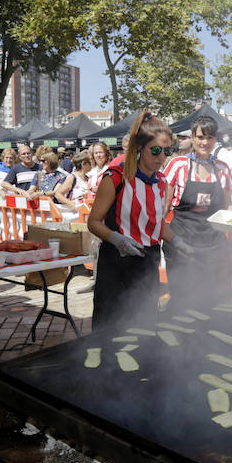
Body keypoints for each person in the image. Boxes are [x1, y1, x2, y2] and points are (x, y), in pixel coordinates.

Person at [87, 111, 189, 329]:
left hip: (147, 263)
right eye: (155, 151)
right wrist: (117, 239)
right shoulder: (115, 177)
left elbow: (156, 224)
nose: (161, 157)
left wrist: (178, 241)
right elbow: (93, 222)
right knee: (110, 324)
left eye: (167, 151)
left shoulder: (161, 182)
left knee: (144, 323)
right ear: (140, 148)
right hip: (116, 262)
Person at [162, 115, 232, 309]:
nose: (205, 142)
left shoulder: (222, 168)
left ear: (215, 139)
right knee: (183, 299)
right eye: (200, 137)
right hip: (182, 242)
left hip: (213, 244)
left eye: (210, 138)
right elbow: (164, 206)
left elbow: (228, 206)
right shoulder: (178, 165)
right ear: (192, 138)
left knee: (211, 299)